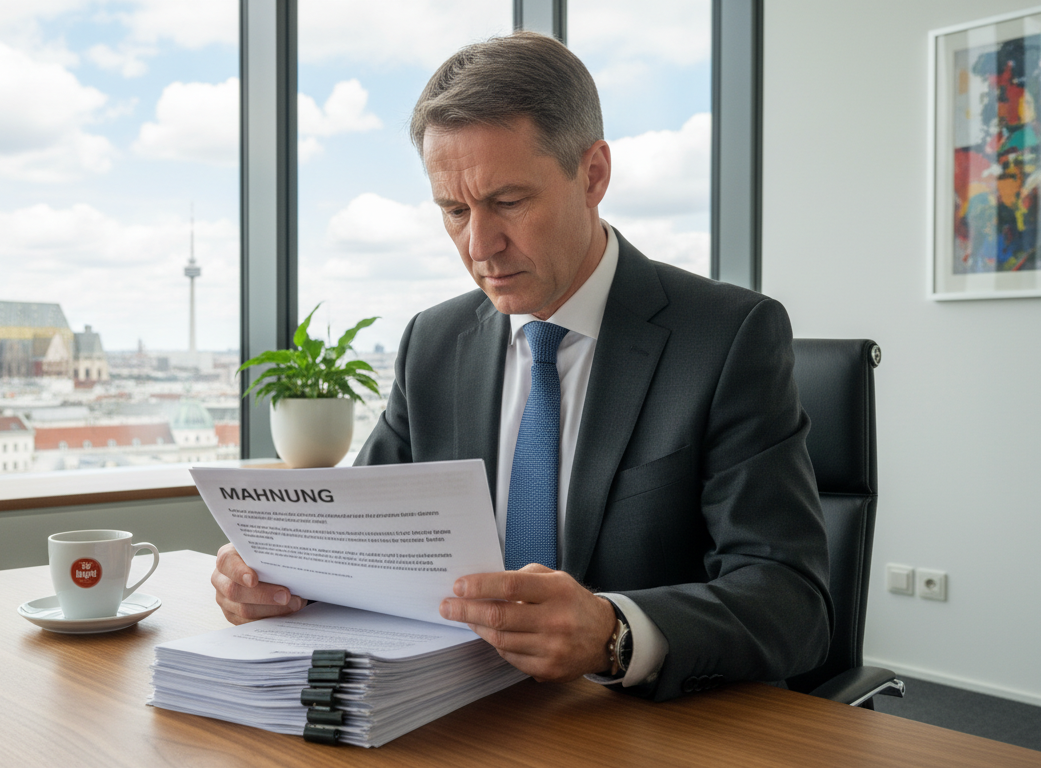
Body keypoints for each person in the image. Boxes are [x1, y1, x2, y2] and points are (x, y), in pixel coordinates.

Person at [211, 31, 831, 702]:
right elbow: (364, 554)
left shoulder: (728, 336)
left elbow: (792, 604)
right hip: (455, 714)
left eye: (508, 202)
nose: (480, 245)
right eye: (454, 210)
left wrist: (613, 632)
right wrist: (282, 581)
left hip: (638, 725)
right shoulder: (433, 342)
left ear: (592, 175)